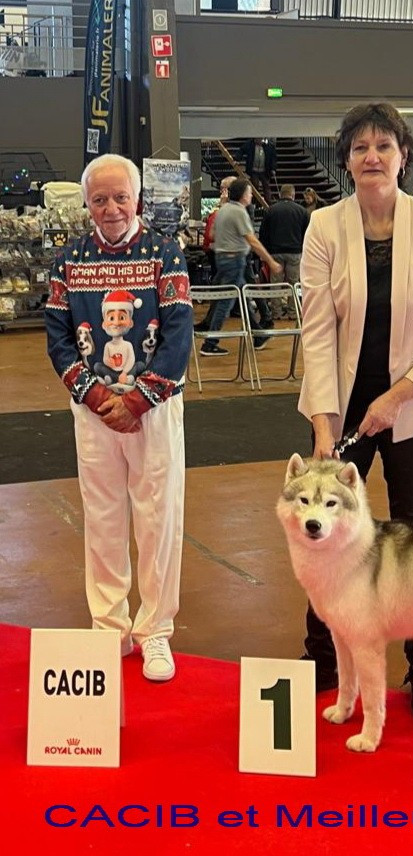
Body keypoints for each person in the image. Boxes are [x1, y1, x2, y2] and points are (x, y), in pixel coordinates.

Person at [298, 102, 413, 724]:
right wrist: (324, 425)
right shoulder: (324, 227)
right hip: (341, 405)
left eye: (383, 146)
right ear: (346, 160)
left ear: (403, 157)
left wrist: (398, 395)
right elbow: (317, 332)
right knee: (326, 529)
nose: (371, 156)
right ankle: (321, 654)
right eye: (359, 147)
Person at [44, 153, 193, 682]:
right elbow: (58, 337)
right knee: (102, 517)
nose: (111, 209)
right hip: (94, 413)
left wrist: (138, 400)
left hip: (153, 409)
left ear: (138, 199)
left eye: (120, 197)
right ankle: (109, 626)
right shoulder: (68, 260)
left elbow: (178, 333)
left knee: (159, 517)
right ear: (87, 203)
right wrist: (92, 395)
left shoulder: (165, 254)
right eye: (100, 199)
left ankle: (155, 631)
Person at [200, 178, 282, 355]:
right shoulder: (239, 212)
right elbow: (252, 240)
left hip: (223, 259)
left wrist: (227, 237)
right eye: (250, 192)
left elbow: (212, 234)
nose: (251, 195)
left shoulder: (223, 210)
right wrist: (270, 261)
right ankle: (210, 343)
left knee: (243, 298)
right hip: (234, 261)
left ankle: (258, 334)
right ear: (243, 195)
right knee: (225, 303)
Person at [259, 183, 309, 319]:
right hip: (295, 252)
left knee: (276, 283)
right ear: (293, 195)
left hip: (275, 252)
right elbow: (307, 233)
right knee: (294, 283)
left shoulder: (271, 210)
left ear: (281, 195)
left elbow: (263, 233)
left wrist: (265, 252)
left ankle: (276, 312)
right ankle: (293, 312)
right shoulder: (302, 211)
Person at [240, 137, 277, 205]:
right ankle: (254, 202)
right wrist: (237, 159)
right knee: (255, 186)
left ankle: (268, 202)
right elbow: (241, 150)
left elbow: (273, 158)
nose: (260, 141)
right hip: (254, 170)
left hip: (265, 170)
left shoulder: (269, 146)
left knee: (266, 186)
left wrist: (273, 168)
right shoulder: (250, 144)